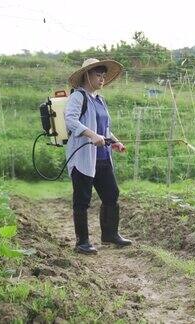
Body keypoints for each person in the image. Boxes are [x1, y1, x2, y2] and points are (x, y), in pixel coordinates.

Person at [65, 58, 132, 255]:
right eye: (98, 75)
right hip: (83, 156)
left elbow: (105, 129)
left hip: (102, 156)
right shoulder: (79, 97)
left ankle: (110, 234)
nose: (102, 79)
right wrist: (91, 135)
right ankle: (82, 242)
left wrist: (115, 141)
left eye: (104, 76)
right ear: (87, 75)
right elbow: (70, 120)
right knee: (82, 199)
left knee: (111, 194)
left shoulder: (100, 100)